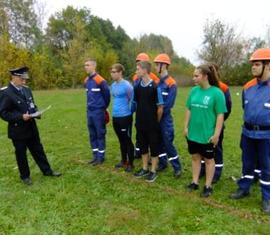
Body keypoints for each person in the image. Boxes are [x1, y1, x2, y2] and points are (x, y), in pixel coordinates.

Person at [0, 66, 61, 185]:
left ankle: (47, 171)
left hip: (31, 127)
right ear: (14, 77)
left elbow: (32, 105)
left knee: (38, 150)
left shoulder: (27, 89)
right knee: (21, 154)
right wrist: (20, 117)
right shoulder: (6, 92)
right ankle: (25, 176)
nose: (24, 81)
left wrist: (36, 112)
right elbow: (3, 113)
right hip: (18, 129)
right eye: (22, 79)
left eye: (25, 79)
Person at [230, 48, 270, 214]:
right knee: (247, 163)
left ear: (267, 66)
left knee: (267, 167)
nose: (253, 67)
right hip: (247, 133)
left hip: (267, 135)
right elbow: (244, 108)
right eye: (252, 64)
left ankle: (267, 198)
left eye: (257, 64)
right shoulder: (248, 86)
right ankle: (244, 188)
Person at [184, 64, 227, 197]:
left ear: (205, 76)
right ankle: (195, 182)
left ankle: (208, 186)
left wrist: (216, 134)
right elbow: (188, 109)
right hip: (193, 133)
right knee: (195, 157)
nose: (194, 78)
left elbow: (220, 114)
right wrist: (185, 126)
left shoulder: (217, 93)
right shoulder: (193, 91)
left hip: (207, 134)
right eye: (193, 76)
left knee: (208, 160)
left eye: (196, 76)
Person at [200, 62, 232, 183]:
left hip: (216, 126)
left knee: (216, 149)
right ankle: (203, 168)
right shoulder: (203, 87)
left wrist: (218, 122)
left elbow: (227, 109)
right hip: (203, 125)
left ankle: (216, 172)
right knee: (203, 147)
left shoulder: (222, 88)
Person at [133, 61, 163, 182]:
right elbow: (136, 103)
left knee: (154, 147)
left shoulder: (155, 87)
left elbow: (160, 108)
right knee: (143, 146)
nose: (136, 71)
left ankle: (153, 171)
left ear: (145, 70)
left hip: (152, 124)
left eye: (138, 69)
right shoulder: (137, 87)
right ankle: (145, 168)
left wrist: (156, 122)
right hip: (140, 123)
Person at [153, 53, 182, 178]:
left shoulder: (171, 84)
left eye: (157, 64)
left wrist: (159, 115)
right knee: (158, 142)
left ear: (164, 65)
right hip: (156, 117)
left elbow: (168, 104)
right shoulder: (157, 82)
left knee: (168, 142)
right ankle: (163, 163)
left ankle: (177, 167)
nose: (155, 67)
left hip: (165, 119)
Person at [132, 52, 159, 159]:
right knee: (141, 139)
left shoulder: (154, 81)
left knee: (154, 143)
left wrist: (155, 119)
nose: (137, 67)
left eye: (140, 64)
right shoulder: (136, 79)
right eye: (137, 62)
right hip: (141, 117)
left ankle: (157, 164)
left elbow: (158, 104)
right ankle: (139, 155)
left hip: (152, 119)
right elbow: (136, 99)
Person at [84, 58, 110, 166]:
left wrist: (102, 108)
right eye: (85, 65)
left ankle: (101, 157)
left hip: (98, 112)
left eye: (88, 65)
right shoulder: (86, 81)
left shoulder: (100, 80)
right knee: (92, 134)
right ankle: (95, 156)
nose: (86, 67)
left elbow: (107, 96)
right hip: (89, 112)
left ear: (94, 66)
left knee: (100, 134)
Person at [110, 63, 134, 172]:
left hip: (125, 117)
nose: (112, 74)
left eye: (114, 72)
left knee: (127, 140)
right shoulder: (113, 85)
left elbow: (131, 99)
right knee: (121, 140)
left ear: (120, 72)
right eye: (111, 72)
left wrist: (127, 111)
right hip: (115, 116)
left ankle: (131, 163)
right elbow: (115, 98)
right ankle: (123, 161)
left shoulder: (127, 85)